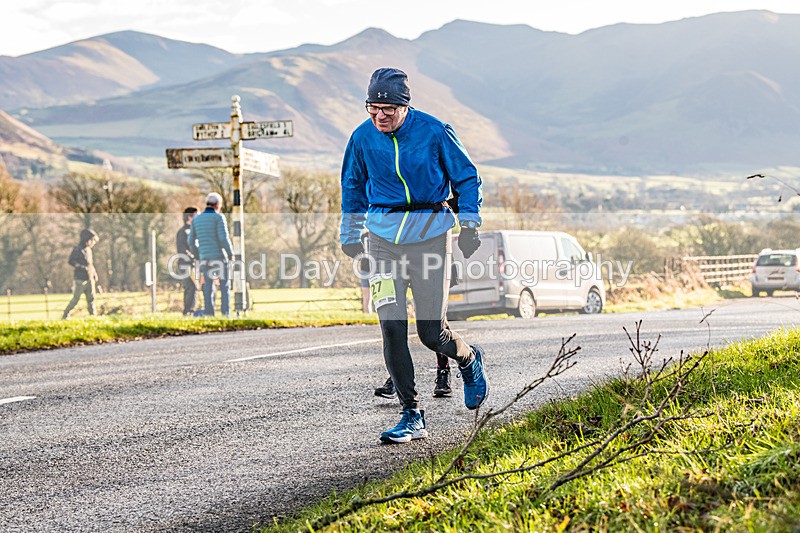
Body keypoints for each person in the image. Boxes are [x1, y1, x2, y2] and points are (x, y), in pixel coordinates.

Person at [340, 67, 487, 444]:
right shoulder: (361, 138)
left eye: (388, 108)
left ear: (405, 106)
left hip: (430, 235)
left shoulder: (434, 131)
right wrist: (350, 234)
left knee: (430, 333)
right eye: (373, 107)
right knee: (391, 327)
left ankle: (468, 358)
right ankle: (411, 413)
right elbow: (352, 187)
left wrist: (469, 225)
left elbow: (467, 177)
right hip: (383, 239)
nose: (380, 116)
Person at [188, 193, 234, 318]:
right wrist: (230, 254)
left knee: (207, 286)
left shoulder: (196, 220)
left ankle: (209, 315)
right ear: (217, 205)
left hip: (204, 258)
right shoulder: (218, 217)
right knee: (225, 286)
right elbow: (223, 238)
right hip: (219, 257)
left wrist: (198, 254)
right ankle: (226, 315)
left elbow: (190, 241)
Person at [62, 228, 99, 319]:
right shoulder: (78, 250)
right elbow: (71, 261)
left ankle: (93, 316)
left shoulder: (88, 250)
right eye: (92, 240)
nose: (93, 243)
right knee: (75, 299)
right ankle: (65, 315)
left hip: (89, 278)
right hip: (80, 279)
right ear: (86, 239)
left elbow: (90, 264)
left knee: (91, 299)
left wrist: (94, 273)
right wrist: (82, 267)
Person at [176, 206, 198, 315]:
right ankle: (189, 311)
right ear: (189, 217)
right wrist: (193, 257)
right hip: (185, 265)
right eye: (195, 215)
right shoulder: (183, 232)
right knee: (192, 287)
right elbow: (182, 250)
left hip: (191, 264)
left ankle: (189, 311)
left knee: (190, 288)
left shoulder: (194, 231)